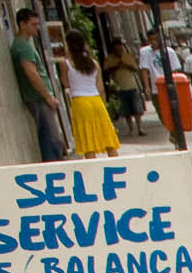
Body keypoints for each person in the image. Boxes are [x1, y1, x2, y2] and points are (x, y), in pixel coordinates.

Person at [55, 29, 120, 160]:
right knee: (107, 135)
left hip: (80, 102)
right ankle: (116, 162)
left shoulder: (66, 64)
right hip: (96, 101)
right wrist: (103, 103)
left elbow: (65, 83)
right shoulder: (94, 63)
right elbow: (101, 88)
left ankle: (93, 166)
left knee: (87, 139)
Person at [10, 9, 63, 162]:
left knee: (50, 135)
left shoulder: (24, 44)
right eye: (33, 24)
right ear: (22, 24)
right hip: (38, 98)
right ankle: (54, 168)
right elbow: (32, 74)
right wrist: (48, 97)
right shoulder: (23, 47)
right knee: (50, 137)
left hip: (38, 97)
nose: (37, 28)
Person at [105, 38, 145, 137]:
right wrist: (117, 66)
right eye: (116, 50)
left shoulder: (128, 56)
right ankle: (130, 129)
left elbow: (135, 68)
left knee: (137, 110)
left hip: (132, 86)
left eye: (120, 49)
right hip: (119, 87)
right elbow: (106, 71)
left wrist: (126, 64)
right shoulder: (109, 59)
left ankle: (140, 128)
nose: (119, 51)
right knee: (126, 111)